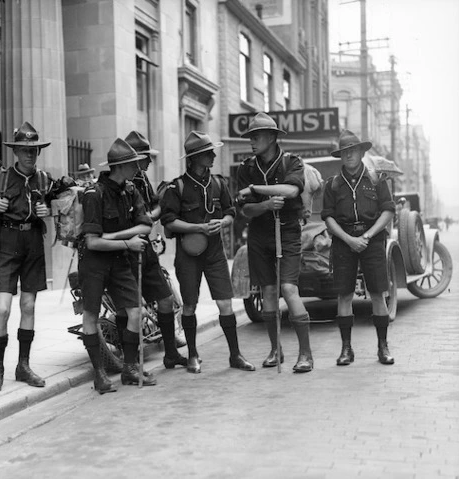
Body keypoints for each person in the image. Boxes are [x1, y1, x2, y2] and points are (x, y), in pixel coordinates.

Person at [160, 131, 255, 374]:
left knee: (225, 303)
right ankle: (193, 354)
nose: (213, 156)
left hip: (215, 252)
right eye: (208, 153)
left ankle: (235, 355)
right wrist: (197, 227)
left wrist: (222, 222)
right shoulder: (177, 187)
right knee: (189, 305)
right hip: (187, 254)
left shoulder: (219, 183)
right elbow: (169, 222)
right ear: (195, 158)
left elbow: (230, 211)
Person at [236, 112, 313, 373]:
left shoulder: (292, 162)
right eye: (250, 137)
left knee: (289, 289)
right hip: (259, 234)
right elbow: (245, 210)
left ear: (271, 137)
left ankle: (306, 354)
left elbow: (292, 190)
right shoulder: (246, 168)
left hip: (288, 231)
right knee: (268, 291)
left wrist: (257, 190)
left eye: (256, 137)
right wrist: (266, 205)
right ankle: (275, 350)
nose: (252, 142)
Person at [79, 138, 155, 393]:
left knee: (136, 312)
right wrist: (126, 243)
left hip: (119, 261)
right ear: (120, 166)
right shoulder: (94, 194)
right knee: (90, 315)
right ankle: (99, 373)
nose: (138, 167)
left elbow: (146, 225)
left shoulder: (131, 190)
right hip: (95, 264)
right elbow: (92, 243)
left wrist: (113, 237)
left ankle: (130, 368)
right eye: (133, 163)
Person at [0, 121, 55, 392]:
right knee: (2, 308)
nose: (30, 155)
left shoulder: (44, 179)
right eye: (24, 150)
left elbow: (56, 203)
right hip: (7, 242)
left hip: (33, 243)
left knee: (28, 306)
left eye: (34, 150)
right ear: (15, 151)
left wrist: (47, 210)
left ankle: (22, 365)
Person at [321, 129, 396, 366]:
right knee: (344, 295)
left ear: (362, 151)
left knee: (377, 293)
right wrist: (348, 239)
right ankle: (346, 349)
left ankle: (382, 347)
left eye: (353, 150)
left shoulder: (376, 179)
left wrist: (367, 235)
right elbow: (328, 217)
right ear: (340, 156)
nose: (349, 155)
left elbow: (388, 210)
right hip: (344, 242)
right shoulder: (333, 185)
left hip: (372, 240)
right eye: (344, 151)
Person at [116, 130, 187, 370]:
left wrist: (152, 214)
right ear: (136, 158)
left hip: (146, 249)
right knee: (129, 308)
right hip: (127, 251)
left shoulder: (143, 179)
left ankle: (170, 353)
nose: (150, 161)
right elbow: (134, 219)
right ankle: (131, 361)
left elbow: (154, 205)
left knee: (165, 299)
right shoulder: (122, 184)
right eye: (147, 157)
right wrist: (147, 218)